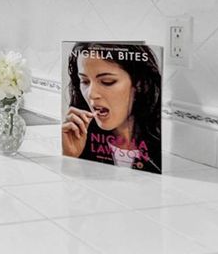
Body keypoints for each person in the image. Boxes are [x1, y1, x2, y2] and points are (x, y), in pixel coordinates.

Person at [61, 42, 162, 173]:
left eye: (107, 82)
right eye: (85, 82)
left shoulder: (161, 150)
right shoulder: (80, 143)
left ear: (140, 84)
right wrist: (69, 158)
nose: (91, 94)